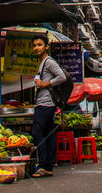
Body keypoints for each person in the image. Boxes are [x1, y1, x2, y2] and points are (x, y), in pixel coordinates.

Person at [30, 34, 67, 178]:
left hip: (45, 103)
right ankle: (49, 166)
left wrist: (45, 84)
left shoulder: (49, 62)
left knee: (37, 132)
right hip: (45, 103)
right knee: (49, 133)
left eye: (39, 45)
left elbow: (62, 77)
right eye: (34, 45)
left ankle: (44, 164)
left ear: (46, 46)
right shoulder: (43, 63)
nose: (36, 48)